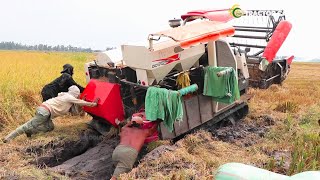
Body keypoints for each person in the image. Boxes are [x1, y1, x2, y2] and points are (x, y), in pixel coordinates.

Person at [3, 85, 98, 143]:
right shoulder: (69, 97)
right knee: (28, 125)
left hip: (45, 111)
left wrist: (83, 100)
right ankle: (8, 138)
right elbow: (80, 103)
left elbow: (75, 111)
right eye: (77, 94)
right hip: (45, 112)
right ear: (75, 93)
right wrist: (93, 104)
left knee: (50, 127)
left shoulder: (66, 97)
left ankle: (31, 131)